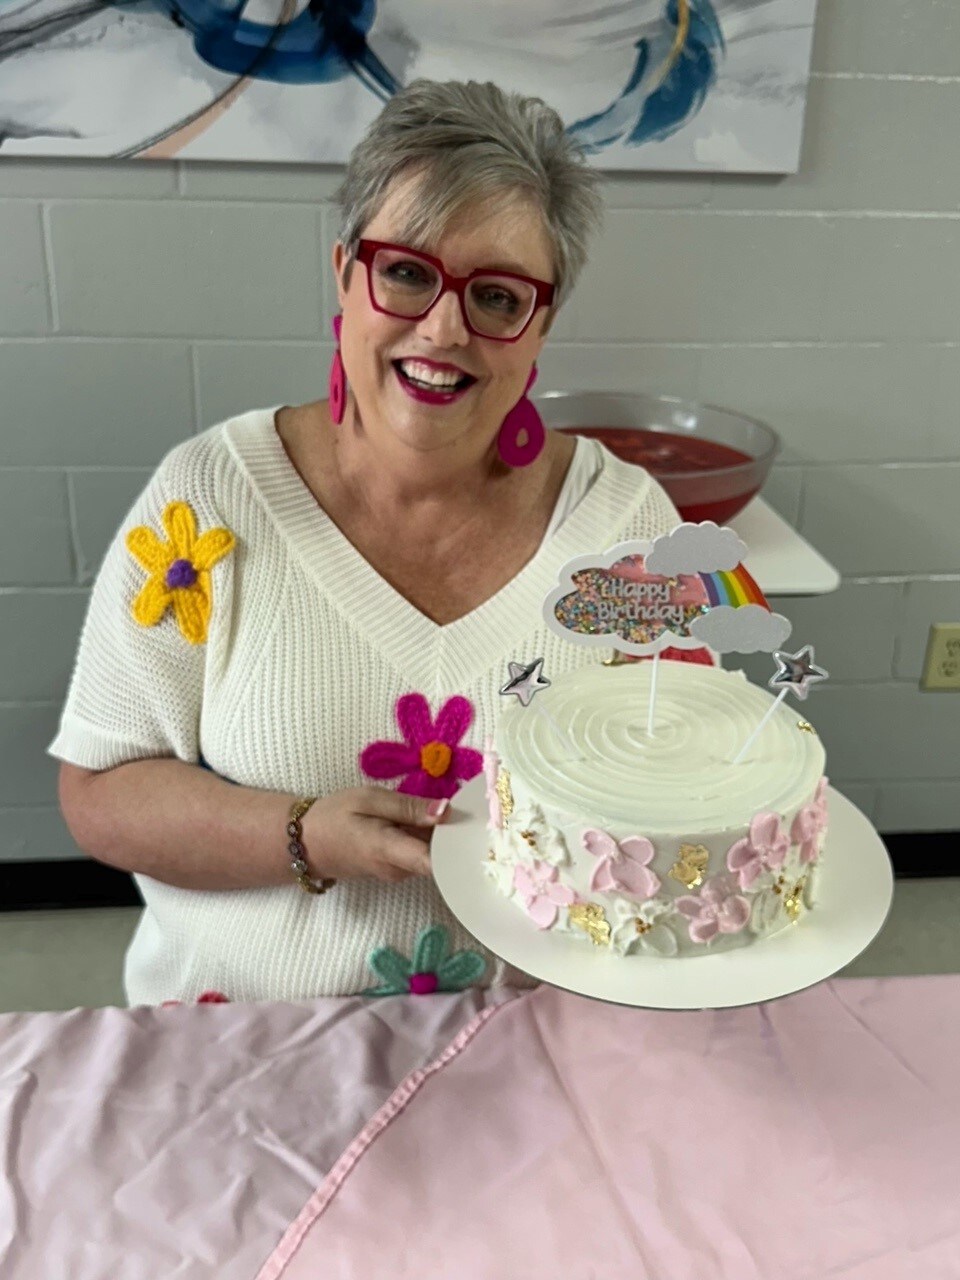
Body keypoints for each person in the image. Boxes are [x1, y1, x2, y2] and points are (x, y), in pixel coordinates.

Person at [51, 78, 680, 1006]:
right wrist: (303, 835)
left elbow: (691, 777)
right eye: (407, 271)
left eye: (498, 296)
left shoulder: (628, 531)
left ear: (540, 321)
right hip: (241, 1046)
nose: (444, 327)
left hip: (525, 1050)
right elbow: (100, 792)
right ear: (346, 269)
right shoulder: (209, 503)